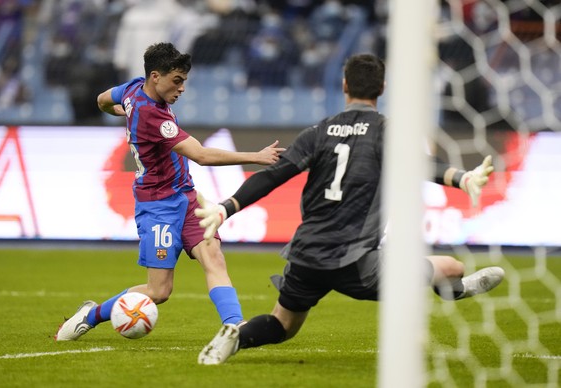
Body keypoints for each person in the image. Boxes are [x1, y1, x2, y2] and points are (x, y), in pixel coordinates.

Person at [193, 53, 504, 365]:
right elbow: (422, 164)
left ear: (344, 85)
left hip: (306, 255)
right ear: (382, 88)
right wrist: (463, 178)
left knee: (282, 325)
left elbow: (272, 175)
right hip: (356, 261)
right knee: (451, 268)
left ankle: (237, 335)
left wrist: (225, 209)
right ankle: (457, 289)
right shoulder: (386, 130)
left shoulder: (319, 132)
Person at [54, 42, 285, 341]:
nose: (182, 88)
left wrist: (121, 111)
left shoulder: (132, 89)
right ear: (155, 77)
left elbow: (100, 100)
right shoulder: (152, 117)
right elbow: (201, 155)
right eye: (177, 81)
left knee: (213, 256)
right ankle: (92, 314)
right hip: (157, 206)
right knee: (159, 291)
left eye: (184, 81)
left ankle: (234, 327)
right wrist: (257, 156)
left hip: (187, 199)